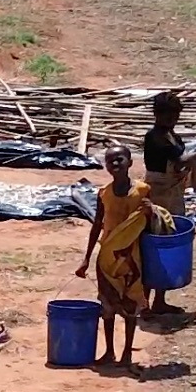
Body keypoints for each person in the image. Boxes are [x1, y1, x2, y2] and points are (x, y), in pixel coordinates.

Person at [76, 146, 160, 369]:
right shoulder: (104, 193)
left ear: (130, 163)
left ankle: (126, 354)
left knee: (130, 306)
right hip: (107, 258)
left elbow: (151, 226)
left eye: (119, 160)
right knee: (107, 306)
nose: (115, 165)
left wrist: (152, 212)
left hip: (132, 258)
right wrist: (86, 258)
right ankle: (110, 351)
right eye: (110, 161)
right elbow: (97, 226)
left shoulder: (142, 191)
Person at [138, 90, 196, 319]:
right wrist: (195, 159)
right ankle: (144, 303)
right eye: (168, 115)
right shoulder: (154, 137)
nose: (172, 119)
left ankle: (159, 301)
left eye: (175, 115)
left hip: (172, 194)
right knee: (152, 244)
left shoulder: (173, 136)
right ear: (157, 114)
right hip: (158, 194)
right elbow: (179, 159)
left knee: (167, 241)